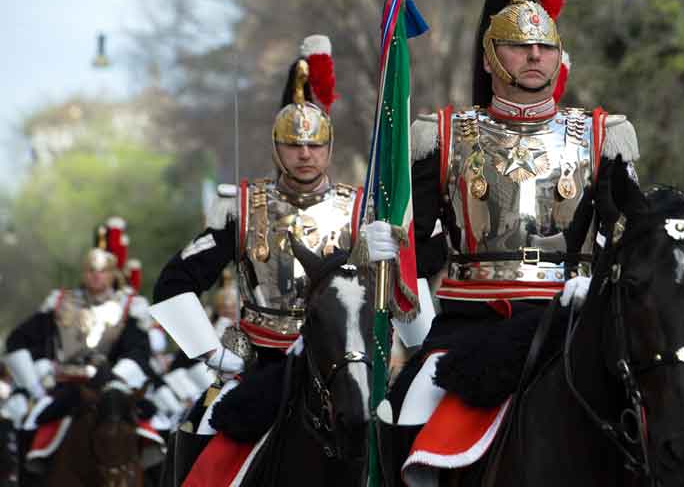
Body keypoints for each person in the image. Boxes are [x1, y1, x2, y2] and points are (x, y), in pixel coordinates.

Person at [377, 0, 639, 482]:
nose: (535, 56)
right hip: (472, 324)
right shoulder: (442, 135)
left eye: (544, 45)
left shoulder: (602, 136)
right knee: (406, 409)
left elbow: (626, 236)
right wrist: (385, 254)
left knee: (670, 413)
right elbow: (419, 245)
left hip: (572, 320)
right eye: (520, 46)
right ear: (492, 54)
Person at [149, 34, 402, 485]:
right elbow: (174, 282)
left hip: (342, 362)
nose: (305, 154)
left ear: (328, 148)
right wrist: (211, 350)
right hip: (258, 360)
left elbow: (392, 292)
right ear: (276, 147)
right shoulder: (241, 207)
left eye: (314, 145)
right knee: (199, 426)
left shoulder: (362, 209)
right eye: (293, 145)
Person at [3, 242, 153, 478]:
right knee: (30, 424)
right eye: (91, 270)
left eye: (102, 270)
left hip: (111, 387)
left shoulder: (129, 308)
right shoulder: (60, 303)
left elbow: (139, 350)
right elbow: (17, 340)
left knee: (157, 425)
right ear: (83, 273)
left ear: (113, 274)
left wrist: (116, 380)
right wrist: (35, 382)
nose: (96, 276)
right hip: (64, 386)